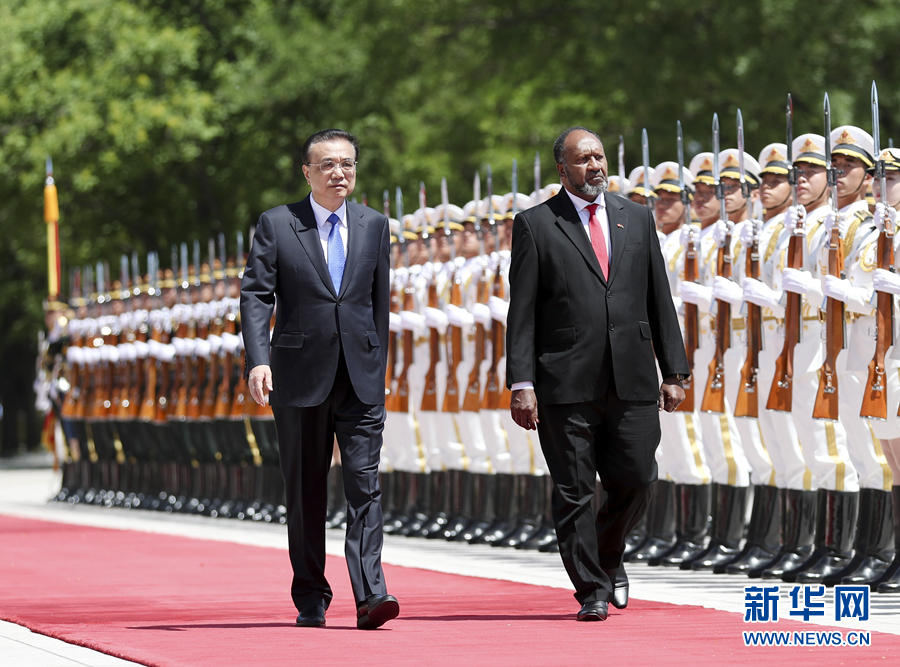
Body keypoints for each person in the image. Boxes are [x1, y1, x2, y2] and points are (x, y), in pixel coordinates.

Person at [505, 126, 689, 622]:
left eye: (600, 157)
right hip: (565, 381)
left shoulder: (637, 217)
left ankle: (608, 554)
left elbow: (658, 296)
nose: (595, 166)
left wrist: (674, 370)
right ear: (562, 169)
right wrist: (522, 383)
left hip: (632, 376)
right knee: (574, 491)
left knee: (637, 477)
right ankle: (590, 588)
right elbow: (522, 313)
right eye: (583, 159)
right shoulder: (536, 224)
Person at [240, 128, 399, 630]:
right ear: (307, 172)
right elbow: (256, 295)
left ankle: (371, 594)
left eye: (347, 164)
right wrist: (258, 359)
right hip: (299, 376)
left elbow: (378, 303)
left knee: (365, 486)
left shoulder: (374, 225)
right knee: (306, 490)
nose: (339, 173)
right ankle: (311, 594)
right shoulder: (278, 223)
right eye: (327, 164)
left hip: (360, 378)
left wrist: (377, 365)